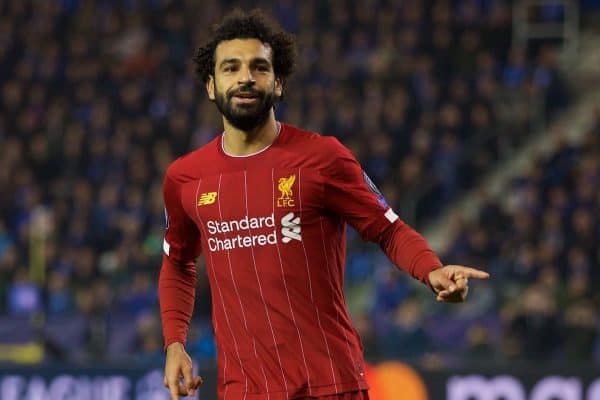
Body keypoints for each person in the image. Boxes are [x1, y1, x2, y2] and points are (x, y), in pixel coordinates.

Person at [159, 9, 489, 400]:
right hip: (243, 391)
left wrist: (431, 270)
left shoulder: (322, 158)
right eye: (231, 68)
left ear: (278, 83)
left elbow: (387, 228)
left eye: (259, 67)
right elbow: (178, 262)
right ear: (211, 86)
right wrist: (175, 343)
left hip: (329, 385)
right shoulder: (185, 178)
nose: (245, 77)